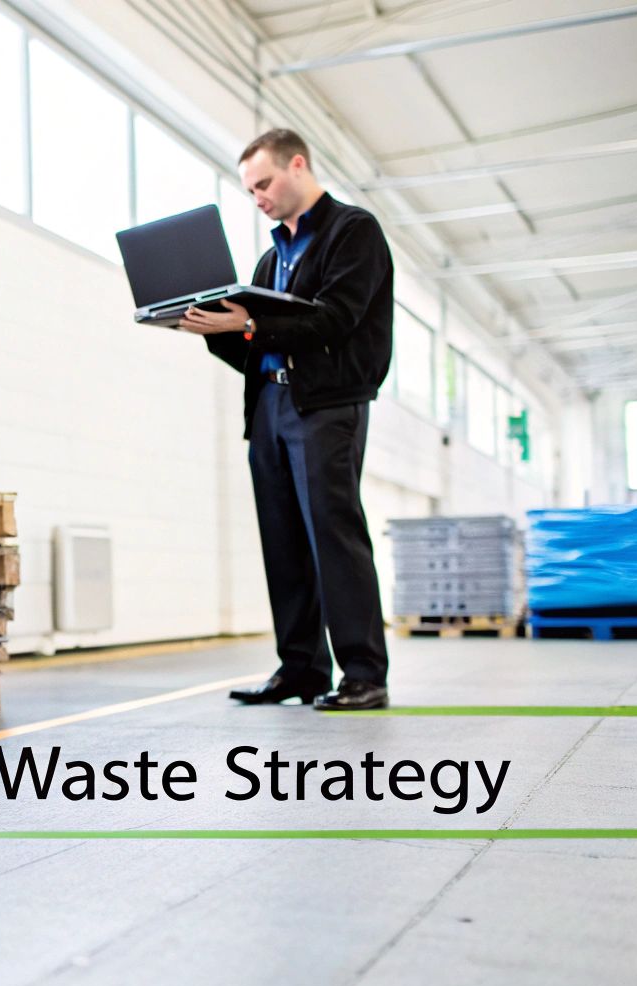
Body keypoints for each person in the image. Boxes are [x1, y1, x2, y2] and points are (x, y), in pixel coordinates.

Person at [178, 128, 392, 711]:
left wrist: (249, 324)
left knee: (333, 535)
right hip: (270, 407)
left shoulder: (353, 232)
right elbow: (257, 346)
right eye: (250, 191)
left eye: (265, 184)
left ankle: (364, 673)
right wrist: (209, 326)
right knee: (283, 541)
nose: (259, 198)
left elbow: (335, 320)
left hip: (325, 404)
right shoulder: (272, 258)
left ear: (298, 165)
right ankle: (301, 669)